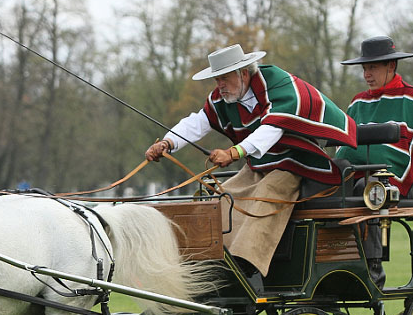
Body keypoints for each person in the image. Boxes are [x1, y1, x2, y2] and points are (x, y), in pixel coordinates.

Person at [145, 44, 357, 277]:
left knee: (269, 192)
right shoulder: (222, 98)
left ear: (243, 73)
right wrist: (167, 143)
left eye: (224, 79)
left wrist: (233, 153)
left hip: (297, 162)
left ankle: (246, 266)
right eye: (217, 80)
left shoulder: (279, 85)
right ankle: (211, 259)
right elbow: (197, 122)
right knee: (223, 196)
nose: (220, 86)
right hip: (260, 162)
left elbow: (272, 129)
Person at [336, 35, 413, 285]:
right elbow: (344, 148)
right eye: (364, 68)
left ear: (391, 66)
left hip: (407, 183)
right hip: (364, 178)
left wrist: (378, 167)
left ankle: (372, 270)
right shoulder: (357, 102)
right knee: (334, 184)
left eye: (372, 67)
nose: (366, 74)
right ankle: (337, 263)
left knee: (370, 188)